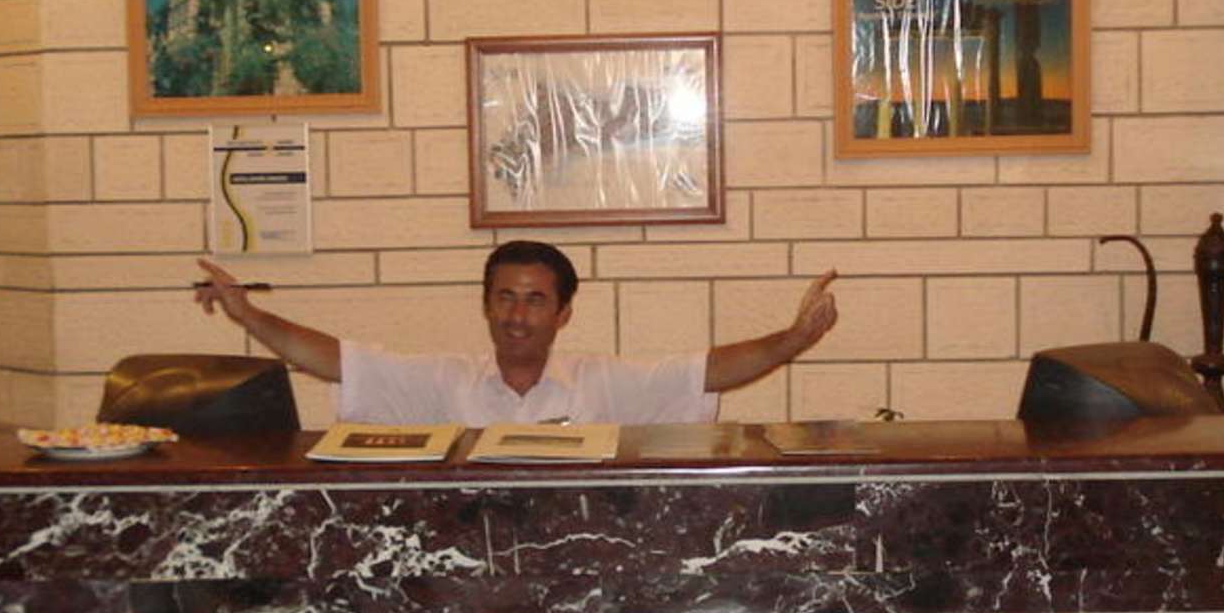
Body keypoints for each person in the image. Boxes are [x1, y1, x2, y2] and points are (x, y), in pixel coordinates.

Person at [193, 240, 838, 426]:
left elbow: (706, 372)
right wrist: (249, 316)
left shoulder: (602, 383)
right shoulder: (443, 381)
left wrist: (793, 339)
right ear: (485, 306)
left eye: (535, 301)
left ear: (563, 314)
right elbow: (337, 362)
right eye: (504, 298)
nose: (517, 316)